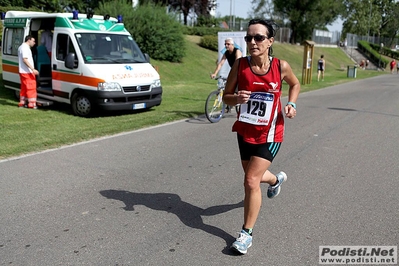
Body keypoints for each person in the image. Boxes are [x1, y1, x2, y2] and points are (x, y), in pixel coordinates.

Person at [222, 19, 300, 255]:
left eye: (258, 38)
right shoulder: (240, 65)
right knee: (252, 177)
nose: (252, 42)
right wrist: (236, 99)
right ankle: (276, 180)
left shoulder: (281, 66)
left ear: (270, 41)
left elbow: (295, 84)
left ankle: (246, 234)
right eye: (249, 38)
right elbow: (226, 96)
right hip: (246, 131)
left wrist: (292, 103)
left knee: (250, 181)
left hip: (271, 133)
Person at [18, 35, 39, 109]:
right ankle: (32, 104)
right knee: (31, 87)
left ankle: (22, 102)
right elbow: (25, 59)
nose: (34, 43)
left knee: (24, 88)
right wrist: (33, 69)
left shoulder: (21, 47)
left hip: (22, 71)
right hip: (27, 72)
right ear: (29, 40)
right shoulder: (25, 48)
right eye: (33, 41)